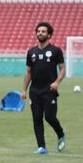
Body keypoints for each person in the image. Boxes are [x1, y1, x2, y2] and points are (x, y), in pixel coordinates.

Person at [21, 21, 66, 154]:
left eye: (43, 31)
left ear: (49, 35)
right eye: (38, 31)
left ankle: (61, 134)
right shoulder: (31, 52)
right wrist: (24, 90)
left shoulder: (56, 51)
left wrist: (57, 82)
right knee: (37, 118)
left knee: (50, 117)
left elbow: (62, 69)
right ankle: (42, 147)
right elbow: (28, 72)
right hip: (34, 91)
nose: (40, 33)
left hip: (50, 90)